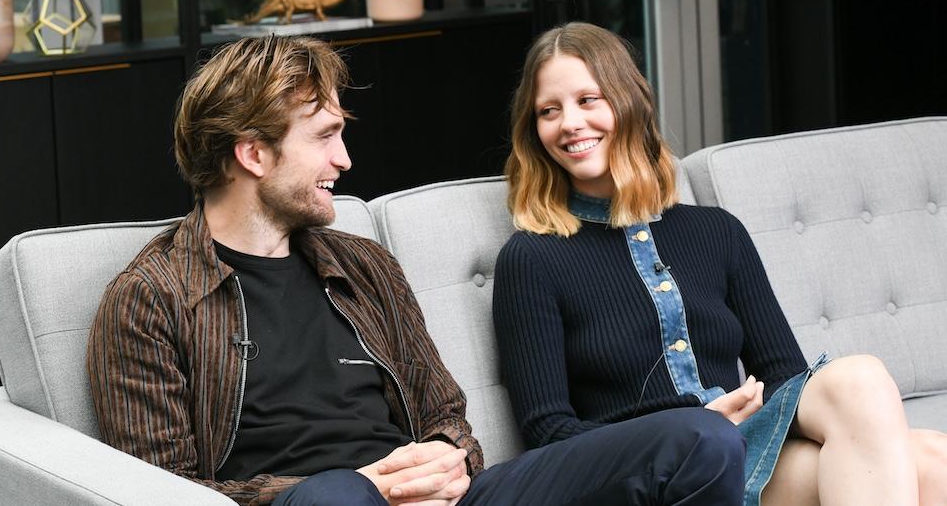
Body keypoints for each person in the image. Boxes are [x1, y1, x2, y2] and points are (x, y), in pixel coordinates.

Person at [87, 34, 748, 506]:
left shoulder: (365, 266)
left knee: (698, 438)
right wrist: (375, 487)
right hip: (324, 502)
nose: (343, 161)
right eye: (323, 137)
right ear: (253, 153)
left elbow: (449, 416)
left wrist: (447, 461)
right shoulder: (152, 300)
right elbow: (159, 492)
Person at [493, 21, 947, 506]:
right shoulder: (532, 258)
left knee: (902, 423)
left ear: (628, 102)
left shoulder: (716, 231)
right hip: (656, 473)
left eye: (588, 100)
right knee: (925, 460)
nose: (570, 124)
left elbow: (783, 375)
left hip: (743, 444)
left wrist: (738, 417)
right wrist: (695, 423)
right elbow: (549, 433)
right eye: (549, 110)